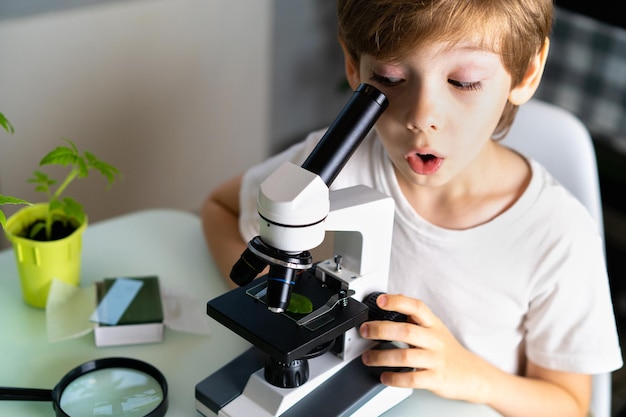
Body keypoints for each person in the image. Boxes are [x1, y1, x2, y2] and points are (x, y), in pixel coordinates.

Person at [201, 1, 623, 416]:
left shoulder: (559, 236)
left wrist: (468, 374)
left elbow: (569, 404)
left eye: (463, 82)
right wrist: (270, 310)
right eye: (390, 78)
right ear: (354, 66)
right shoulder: (335, 162)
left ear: (527, 71)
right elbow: (219, 206)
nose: (422, 116)